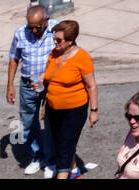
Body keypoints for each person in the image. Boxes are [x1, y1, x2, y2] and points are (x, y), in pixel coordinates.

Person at [41, 19, 98, 179]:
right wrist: (40, 80)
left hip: (74, 111)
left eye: (59, 40)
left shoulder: (82, 58)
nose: (55, 42)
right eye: (54, 38)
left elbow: (91, 86)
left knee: (64, 153)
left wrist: (93, 111)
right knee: (61, 144)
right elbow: (49, 75)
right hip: (53, 109)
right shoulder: (54, 53)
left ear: (70, 41)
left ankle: (65, 172)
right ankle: (74, 171)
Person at [6, 4, 58, 176]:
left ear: (46, 21)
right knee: (28, 123)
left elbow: (70, 53)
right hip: (28, 83)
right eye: (31, 27)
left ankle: (51, 161)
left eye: (37, 27)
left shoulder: (57, 30)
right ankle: (38, 156)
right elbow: (14, 58)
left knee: (51, 123)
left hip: (50, 84)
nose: (34, 30)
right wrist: (10, 85)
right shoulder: (20, 33)